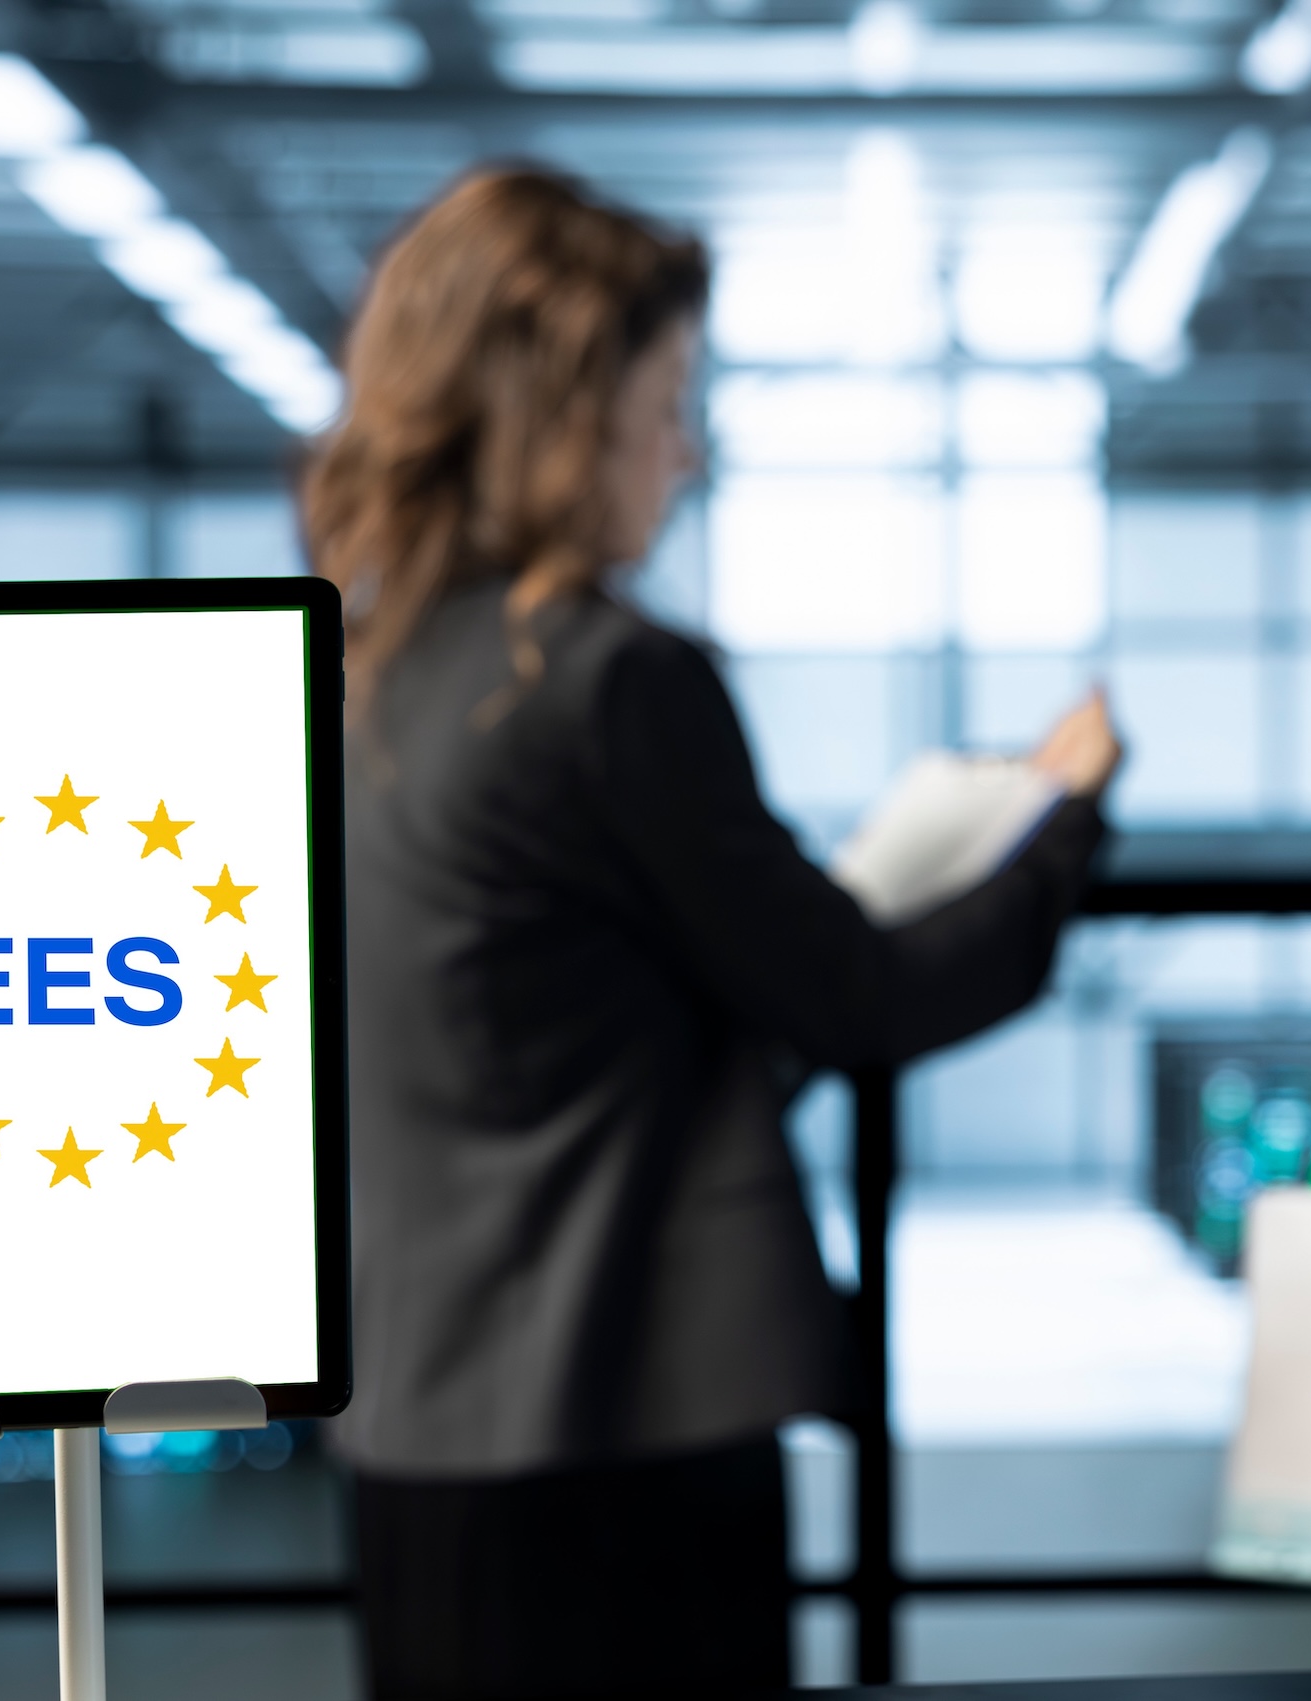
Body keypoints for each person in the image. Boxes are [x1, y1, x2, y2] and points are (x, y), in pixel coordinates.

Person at [309, 168, 1122, 1699]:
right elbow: (858, 991)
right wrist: (1061, 825)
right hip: (620, 1432)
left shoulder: (358, 671)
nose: (681, 451)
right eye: (663, 403)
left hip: (418, 1422)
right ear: (561, 416)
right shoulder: (611, 680)